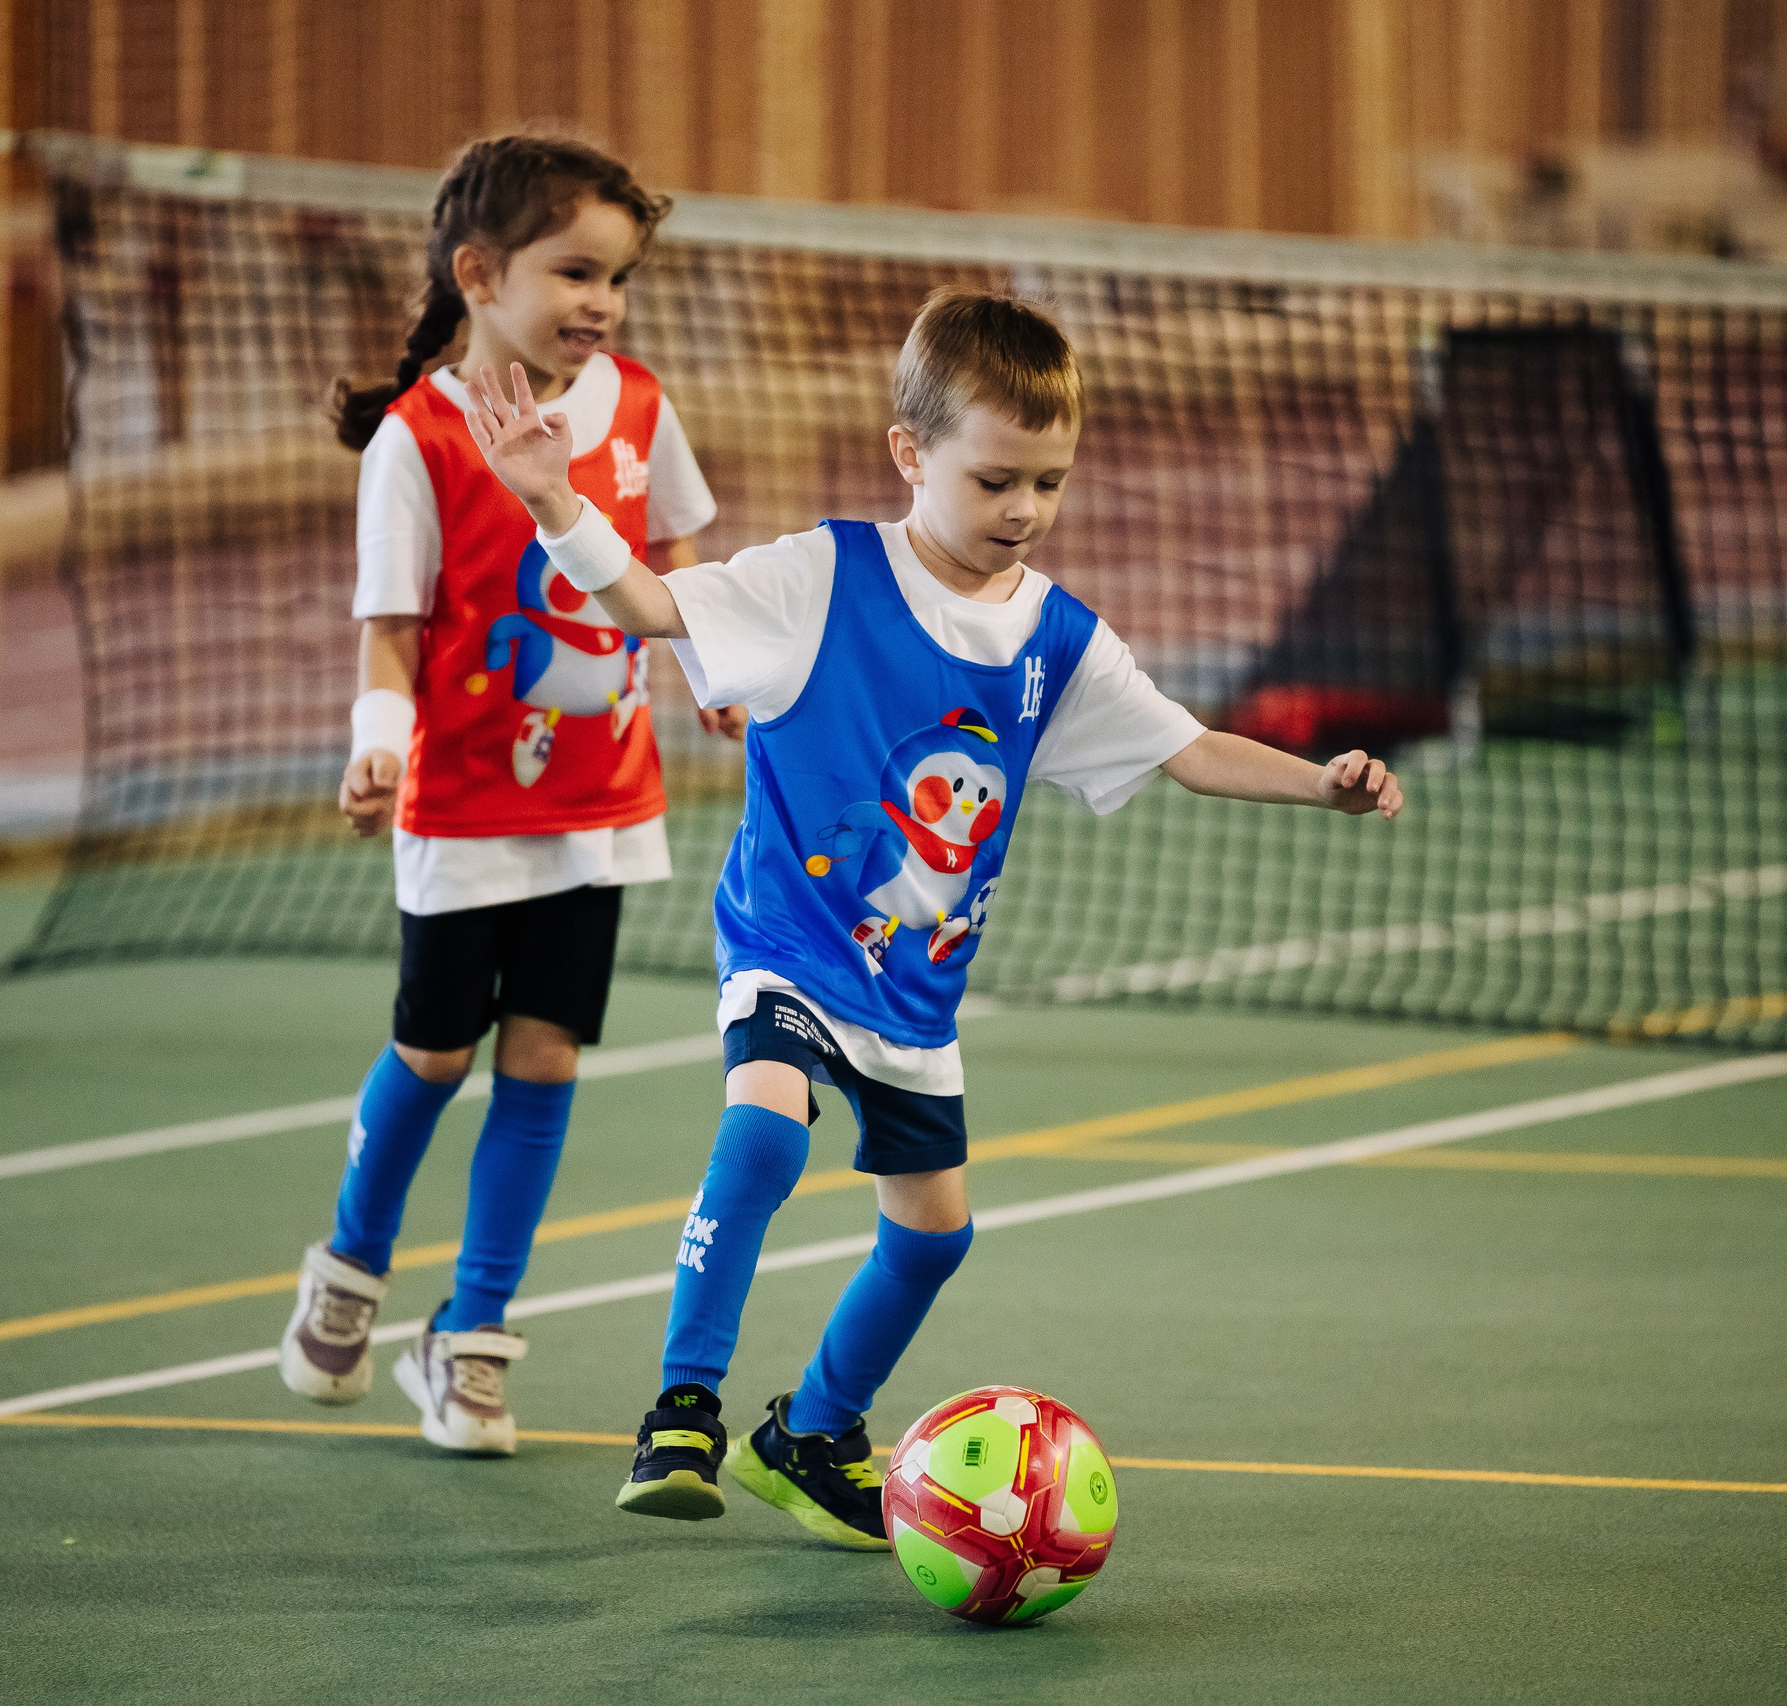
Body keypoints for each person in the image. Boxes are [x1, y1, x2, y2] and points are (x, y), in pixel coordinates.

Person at [463, 287, 1404, 1546]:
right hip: (787, 940)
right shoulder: (818, 576)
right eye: (998, 478)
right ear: (912, 454)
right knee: (762, 1140)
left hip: (914, 994)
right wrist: (549, 496)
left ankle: (813, 1430)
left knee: (933, 1237)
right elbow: (642, 604)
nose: (1023, 509)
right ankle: (682, 1406)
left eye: (1049, 484)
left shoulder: (1056, 641)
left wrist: (1319, 780)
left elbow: (1186, 747)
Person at [278, 133, 733, 1457]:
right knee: (434, 1051)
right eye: (575, 271)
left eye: (618, 277)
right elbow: (392, 628)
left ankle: (469, 1338)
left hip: (600, 807)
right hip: (466, 810)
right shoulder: (419, 439)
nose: (602, 301)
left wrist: (705, 660)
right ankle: (351, 1265)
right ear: (479, 273)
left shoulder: (641, 407)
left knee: (544, 1059)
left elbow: (678, 552)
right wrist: (378, 740)